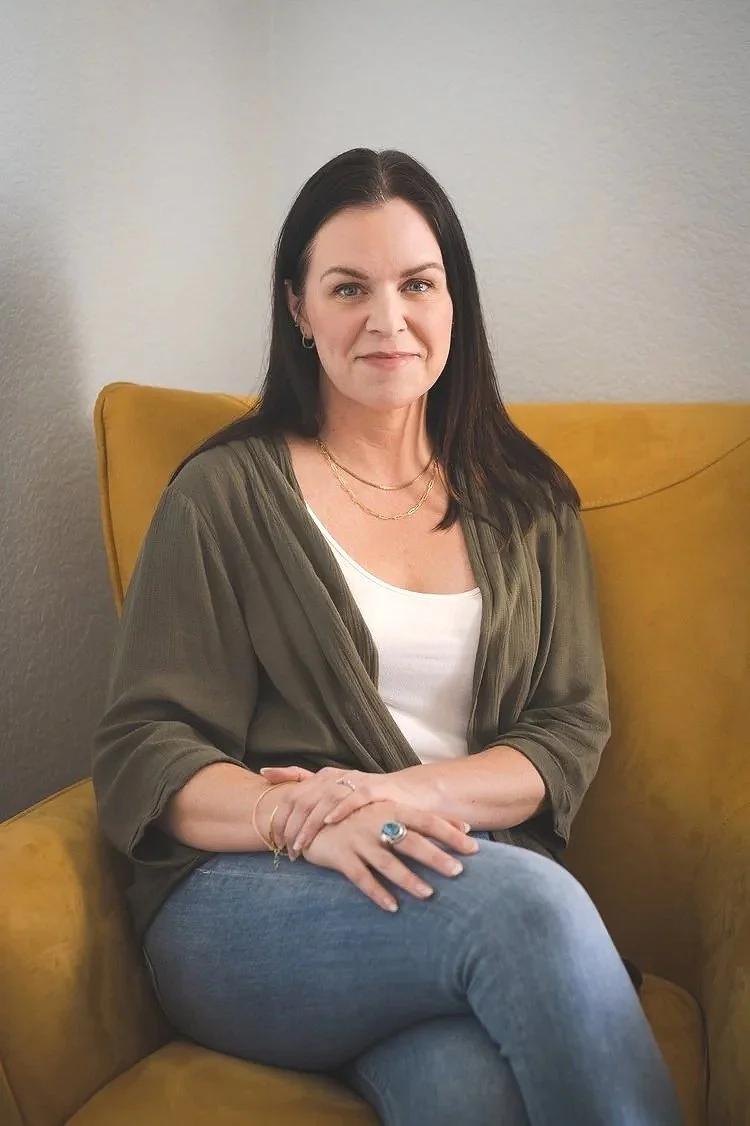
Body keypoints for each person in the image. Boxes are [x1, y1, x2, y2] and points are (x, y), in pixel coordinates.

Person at [92, 148, 684, 1126]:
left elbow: (565, 733)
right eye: (349, 287)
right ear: (298, 308)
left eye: (417, 283)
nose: (388, 317)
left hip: (448, 877)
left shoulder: (530, 502)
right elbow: (144, 750)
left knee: (469, 1093)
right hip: (253, 900)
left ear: (455, 300)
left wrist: (387, 796)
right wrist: (309, 821)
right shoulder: (223, 496)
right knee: (529, 907)